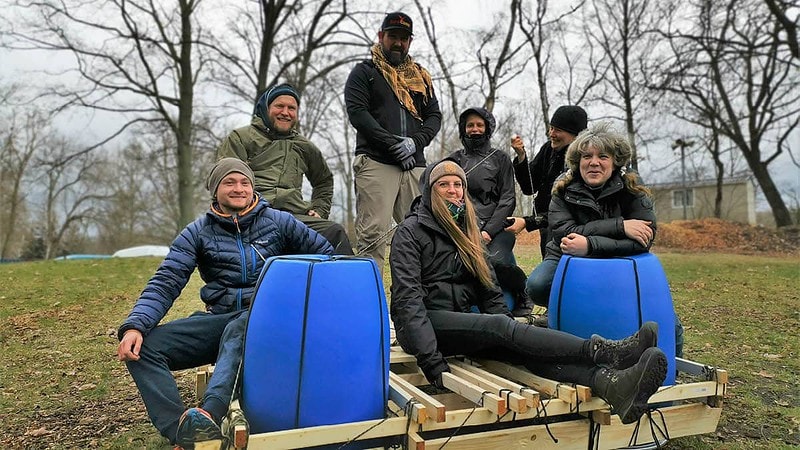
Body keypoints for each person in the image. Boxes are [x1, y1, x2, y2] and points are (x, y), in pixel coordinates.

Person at [389, 158, 667, 425]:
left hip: (458, 323)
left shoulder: (467, 229)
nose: (453, 190)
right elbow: (408, 302)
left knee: (519, 348)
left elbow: (489, 288)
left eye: (458, 184)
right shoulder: (410, 232)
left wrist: (511, 335)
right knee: (499, 326)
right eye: (444, 185)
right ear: (429, 191)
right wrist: (431, 361)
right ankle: (604, 351)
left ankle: (612, 385)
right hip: (422, 328)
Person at [116, 158, 334, 449]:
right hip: (220, 317)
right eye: (229, 182)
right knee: (144, 348)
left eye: (244, 182)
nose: (239, 188)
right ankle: (181, 429)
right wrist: (136, 326)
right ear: (215, 190)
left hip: (269, 321)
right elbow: (167, 280)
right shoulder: (197, 232)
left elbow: (326, 256)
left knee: (241, 327)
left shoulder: (279, 221)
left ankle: (210, 412)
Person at [344, 11, 442, 271]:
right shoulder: (364, 73)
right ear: (381, 37)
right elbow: (359, 114)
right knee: (372, 234)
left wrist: (414, 143)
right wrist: (392, 145)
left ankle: (423, 301)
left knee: (425, 232)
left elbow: (434, 117)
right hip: (376, 163)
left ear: (410, 41)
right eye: (393, 36)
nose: (398, 43)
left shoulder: (421, 78)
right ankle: (368, 302)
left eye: (404, 38)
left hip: (414, 165)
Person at [523, 121, 656, 309]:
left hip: (617, 256)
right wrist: (621, 226)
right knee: (537, 286)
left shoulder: (633, 187)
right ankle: (563, 311)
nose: (594, 162)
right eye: (587, 156)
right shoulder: (562, 188)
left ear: (615, 161)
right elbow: (565, 233)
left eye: (603, 156)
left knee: (652, 296)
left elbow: (645, 239)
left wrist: (590, 246)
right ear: (578, 162)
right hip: (566, 252)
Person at [217, 83, 354, 255]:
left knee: (334, 232)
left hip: (294, 217)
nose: (285, 112)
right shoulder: (241, 138)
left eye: (292, 108)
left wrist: (319, 210)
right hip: (253, 216)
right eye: (279, 106)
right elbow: (222, 179)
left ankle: (349, 281)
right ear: (266, 108)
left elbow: (324, 181)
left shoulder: (305, 146)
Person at [448, 106, 532, 317]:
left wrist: (488, 232)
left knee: (492, 262)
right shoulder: (454, 160)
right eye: (470, 125)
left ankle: (523, 289)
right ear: (463, 129)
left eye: (479, 125)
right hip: (464, 229)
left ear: (487, 128)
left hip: (496, 229)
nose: (475, 129)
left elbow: (508, 199)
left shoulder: (500, 158)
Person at [507, 105, 588, 257]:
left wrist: (528, 222)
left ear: (575, 135)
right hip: (545, 224)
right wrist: (521, 157)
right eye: (551, 128)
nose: (552, 134)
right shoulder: (548, 150)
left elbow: (567, 209)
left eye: (558, 130)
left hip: (571, 229)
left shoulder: (584, 160)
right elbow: (529, 187)